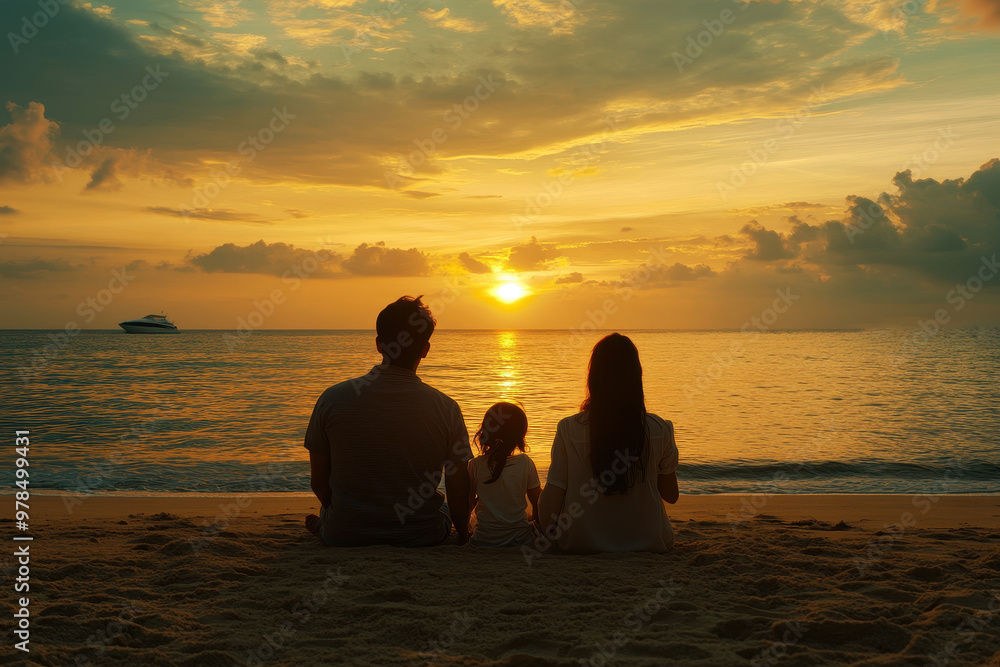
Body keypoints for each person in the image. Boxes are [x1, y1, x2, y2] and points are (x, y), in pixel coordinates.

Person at [303, 296, 472, 547]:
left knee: (329, 515)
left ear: (379, 345)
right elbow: (458, 490)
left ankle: (324, 523)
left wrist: (348, 518)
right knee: (443, 504)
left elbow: (318, 482)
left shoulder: (332, 398)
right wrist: (463, 535)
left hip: (344, 533)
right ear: (425, 350)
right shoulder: (446, 407)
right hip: (421, 535)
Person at [538, 333, 679, 553]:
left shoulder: (568, 428)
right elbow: (671, 495)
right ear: (637, 377)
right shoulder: (660, 429)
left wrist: (547, 530)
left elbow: (552, 498)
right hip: (650, 542)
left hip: (580, 543)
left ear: (593, 378)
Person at [467, 402, 541, 548]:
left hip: (484, 540)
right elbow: (538, 502)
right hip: (520, 539)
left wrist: (464, 536)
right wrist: (536, 521)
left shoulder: (475, 465)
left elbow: (467, 505)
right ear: (520, 436)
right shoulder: (525, 463)